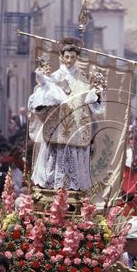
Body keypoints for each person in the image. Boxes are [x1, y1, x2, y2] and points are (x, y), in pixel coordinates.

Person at [29, 37, 106, 191]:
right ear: (62, 58)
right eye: (67, 57)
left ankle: (73, 191)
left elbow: (93, 103)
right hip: (56, 129)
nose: (70, 60)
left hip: (76, 129)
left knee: (74, 163)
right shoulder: (53, 78)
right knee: (54, 163)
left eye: (73, 57)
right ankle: (51, 190)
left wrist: (96, 95)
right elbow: (42, 92)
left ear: (77, 58)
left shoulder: (84, 80)